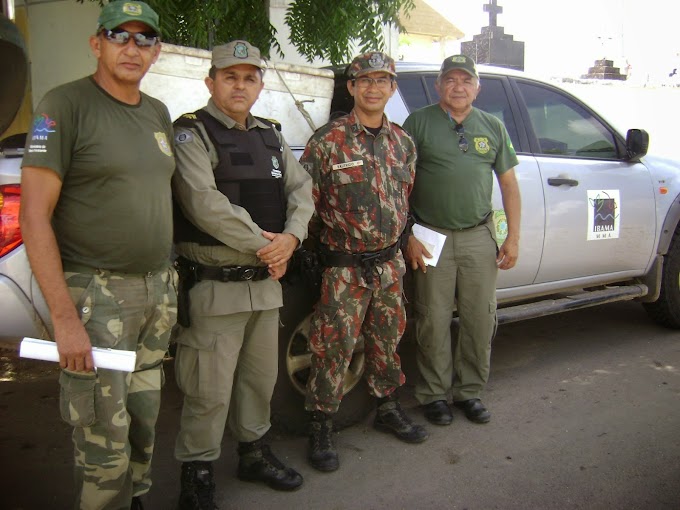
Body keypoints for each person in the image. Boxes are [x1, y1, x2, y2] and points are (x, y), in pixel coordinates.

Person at [19, 2, 176, 509]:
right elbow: (34, 217)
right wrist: (64, 319)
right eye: (119, 36)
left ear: (156, 51)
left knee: (144, 421)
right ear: (97, 44)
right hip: (99, 298)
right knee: (102, 439)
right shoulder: (63, 106)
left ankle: (138, 500)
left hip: (158, 291)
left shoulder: (157, 113)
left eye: (144, 39)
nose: (132, 48)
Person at [171, 40, 313, 509]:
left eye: (249, 77)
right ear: (211, 81)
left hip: (266, 284)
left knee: (259, 381)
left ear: (260, 84)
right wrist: (268, 244)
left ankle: (253, 453)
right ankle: (197, 473)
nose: (240, 84)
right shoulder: (192, 133)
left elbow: (301, 189)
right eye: (230, 76)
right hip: (216, 286)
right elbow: (203, 203)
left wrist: (291, 238)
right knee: (207, 389)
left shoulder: (271, 135)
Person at [300, 51, 428, 473]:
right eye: (365, 81)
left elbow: (403, 202)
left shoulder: (402, 143)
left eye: (383, 81)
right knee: (331, 347)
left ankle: (387, 406)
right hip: (344, 268)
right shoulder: (327, 142)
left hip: (389, 266)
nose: (374, 88)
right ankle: (320, 422)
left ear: (393, 89)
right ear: (352, 87)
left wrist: (404, 239)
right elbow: (306, 206)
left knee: (387, 342)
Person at [402, 54, 521, 427]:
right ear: (438, 86)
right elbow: (398, 184)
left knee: (479, 318)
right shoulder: (418, 122)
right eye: (450, 80)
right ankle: (434, 395)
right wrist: (407, 235)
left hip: (478, 235)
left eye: (466, 80)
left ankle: (470, 391)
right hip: (430, 236)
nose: (458, 87)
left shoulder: (492, 126)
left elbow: (508, 185)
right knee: (432, 319)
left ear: (477, 87)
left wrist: (512, 237)